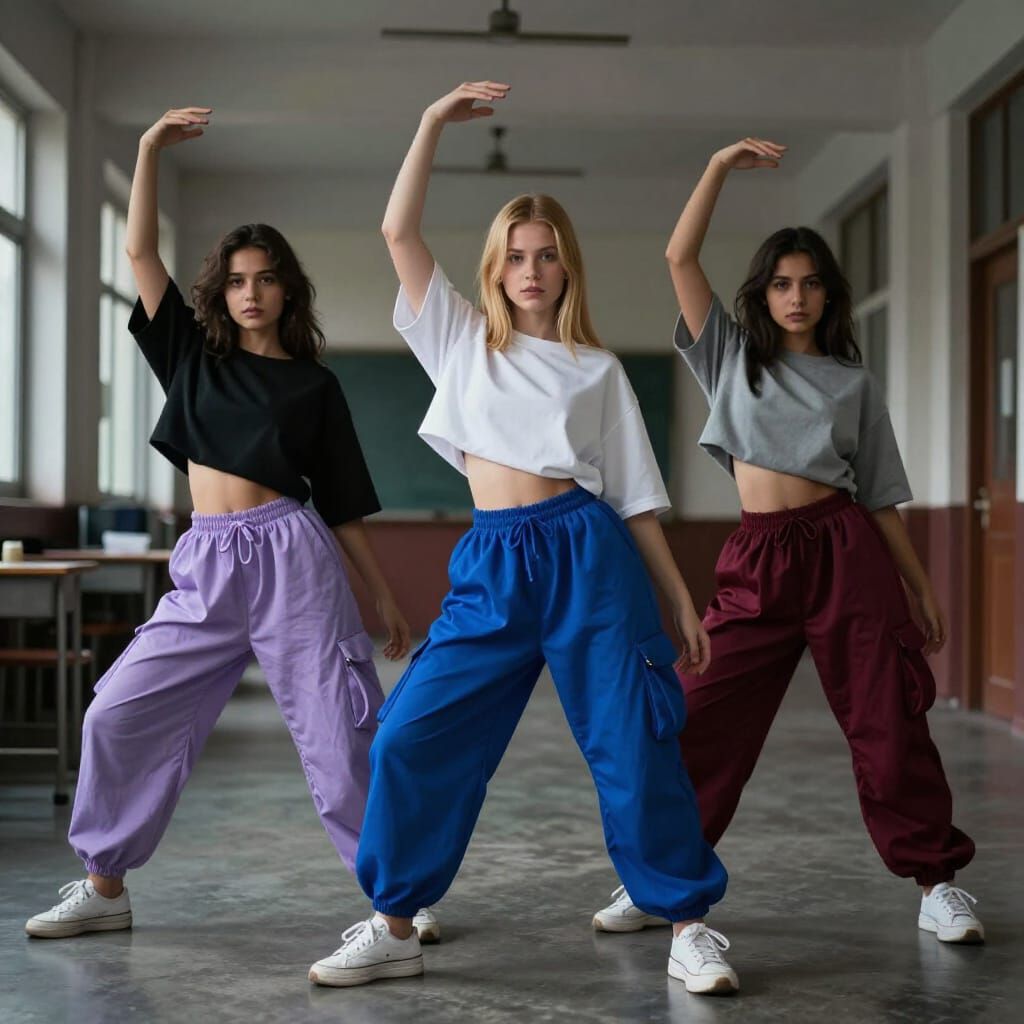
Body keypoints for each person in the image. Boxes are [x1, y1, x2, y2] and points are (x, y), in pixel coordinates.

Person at [307, 82, 737, 995]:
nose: (531, 269)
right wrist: (427, 125)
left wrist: (678, 596)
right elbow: (398, 235)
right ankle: (392, 921)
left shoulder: (600, 369)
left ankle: (689, 925)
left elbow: (634, 497)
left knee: (634, 743)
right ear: (495, 268)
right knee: (410, 737)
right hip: (495, 559)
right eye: (515, 255)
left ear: (567, 266)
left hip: (589, 556)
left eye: (546, 255)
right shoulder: (461, 339)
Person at [26, 106, 412, 941]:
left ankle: (396, 903)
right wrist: (145, 149)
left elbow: (341, 502)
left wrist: (382, 600)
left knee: (341, 739)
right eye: (236, 279)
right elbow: (137, 252)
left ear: (287, 289)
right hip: (205, 562)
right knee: (115, 713)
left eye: (264, 278)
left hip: (292, 562)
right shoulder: (192, 359)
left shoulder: (315, 388)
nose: (249, 293)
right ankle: (104, 884)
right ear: (220, 290)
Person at [593, 137, 982, 946]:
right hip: (758, 557)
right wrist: (718, 169)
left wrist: (919, 585)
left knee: (887, 720)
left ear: (827, 296)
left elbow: (877, 495)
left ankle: (937, 882)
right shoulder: (729, 358)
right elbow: (678, 253)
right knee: (701, 718)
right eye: (780, 283)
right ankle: (660, 875)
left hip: (847, 554)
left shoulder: (853, 383)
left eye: (808, 285)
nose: (795, 297)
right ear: (761, 294)